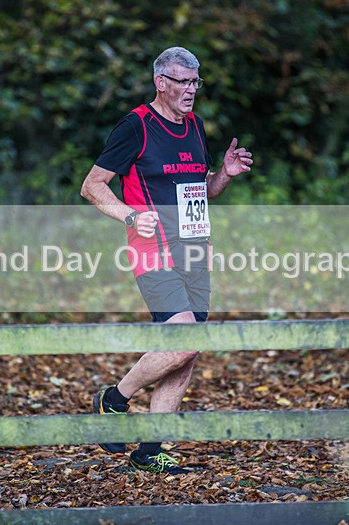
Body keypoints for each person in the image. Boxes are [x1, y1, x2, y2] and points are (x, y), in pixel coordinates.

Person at [80, 46, 253, 474]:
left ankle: (149, 450)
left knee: (185, 354)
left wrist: (224, 176)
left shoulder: (195, 126)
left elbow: (202, 190)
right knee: (187, 339)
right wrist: (129, 214)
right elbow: (92, 186)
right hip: (152, 249)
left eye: (196, 82)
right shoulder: (135, 126)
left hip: (195, 249)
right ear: (162, 82)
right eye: (183, 81)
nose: (191, 90)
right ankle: (114, 399)